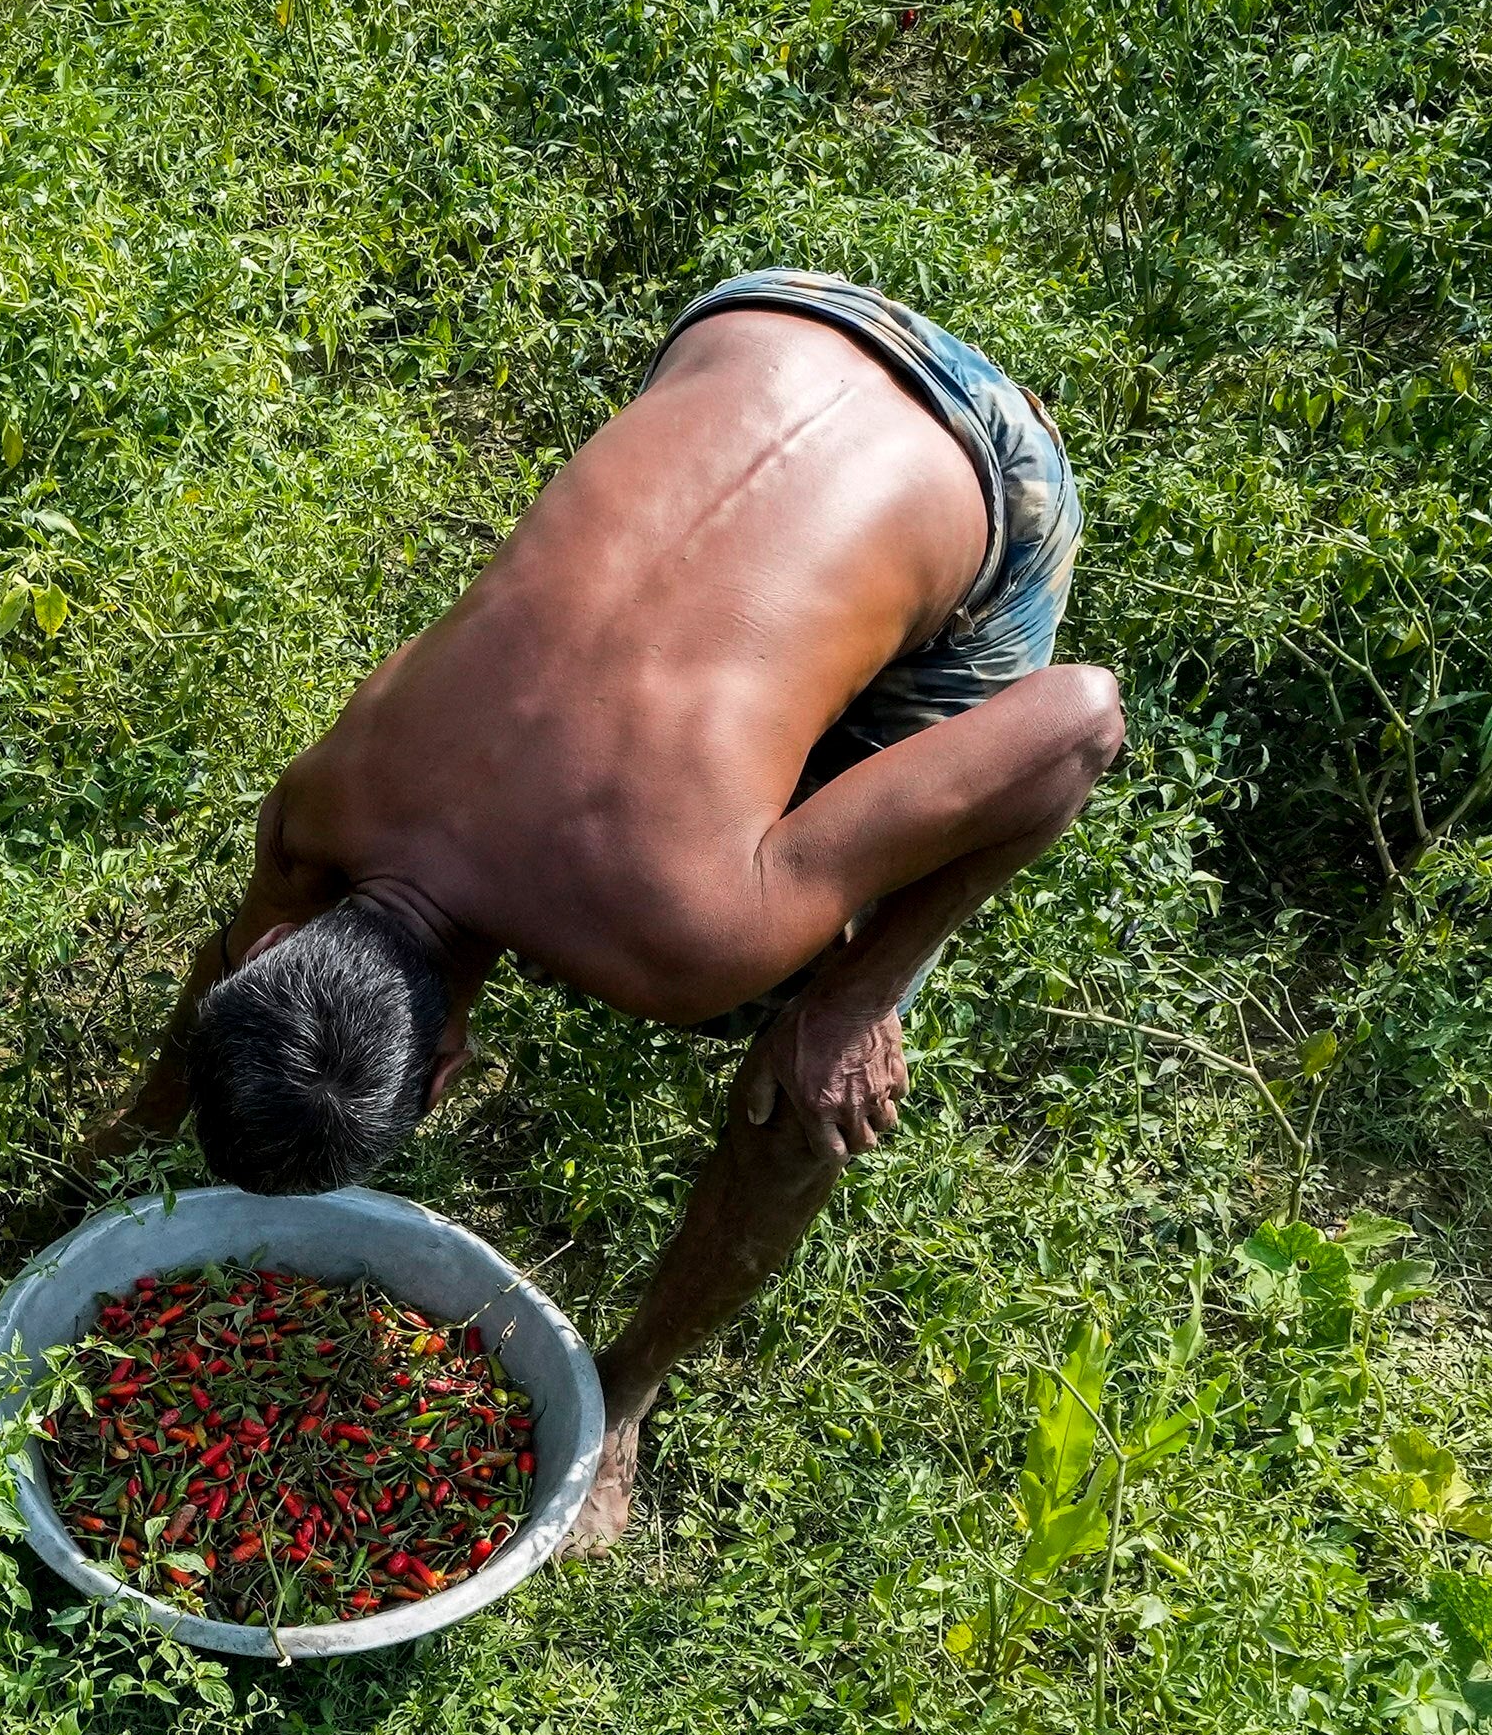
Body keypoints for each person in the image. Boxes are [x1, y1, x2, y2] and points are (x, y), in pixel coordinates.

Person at [100, 274, 1124, 1552]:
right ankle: (127, 1147)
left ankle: (623, 1393)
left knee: (807, 1077)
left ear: (448, 1074)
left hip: (987, 468)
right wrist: (144, 1141)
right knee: (754, 713)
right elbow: (244, 953)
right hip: (761, 322)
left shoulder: (691, 934)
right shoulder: (326, 801)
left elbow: (1082, 720)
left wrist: (856, 995)